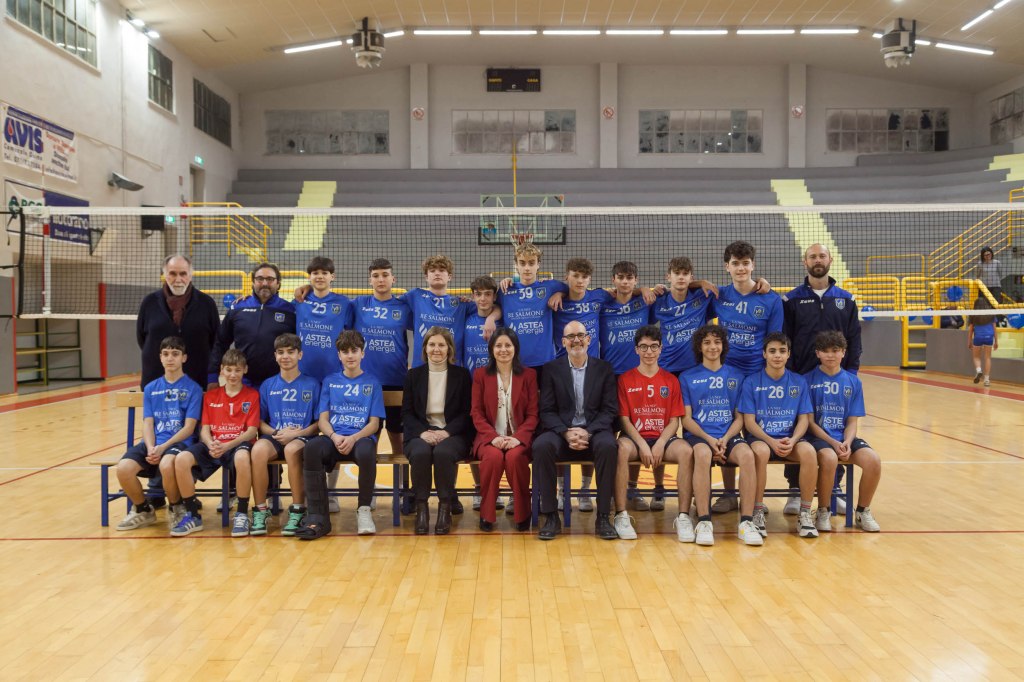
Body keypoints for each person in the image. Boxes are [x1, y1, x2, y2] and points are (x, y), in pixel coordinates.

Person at [780, 243, 862, 516]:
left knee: (835, 428)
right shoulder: (791, 300)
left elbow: (854, 340)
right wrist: (790, 377)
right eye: (813, 256)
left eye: (822, 256)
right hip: (801, 379)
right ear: (805, 262)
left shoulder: (846, 299)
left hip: (837, 378)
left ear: (830, 260)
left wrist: (850, 375)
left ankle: (833, 489)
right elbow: (786, 339)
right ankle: (795, 490)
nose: (818, 260)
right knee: (796, 430)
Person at [135, 254, 219, 509]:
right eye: (173, 273)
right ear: (165, 275)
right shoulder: (149, 303)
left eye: (183, 273)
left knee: (189, 437)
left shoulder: (206, 303)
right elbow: (142, 339)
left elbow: (215, 343)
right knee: (161, 429)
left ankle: (184, 494)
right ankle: (157, 490)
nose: (178, 278)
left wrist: (211, 378)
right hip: (157, 382)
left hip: (196, 384)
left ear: (191, 275)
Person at [710, 241, 783, 514]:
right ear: (726, 267)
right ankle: (729, 493)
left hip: (756, 374)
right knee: (726, 429)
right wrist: (701, 282)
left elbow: (774, 340)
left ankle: (755, 499)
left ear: (753, 265)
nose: (740, 268)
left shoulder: (770, 299)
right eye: (735, 263)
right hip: (727, 371)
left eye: (745, 263)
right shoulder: (718, 295)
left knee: (755, 435)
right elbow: (686, 292)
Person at [533, 321, 619, 540]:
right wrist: (566, 432)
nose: (576, 340)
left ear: (589, 339)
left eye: (580, 335)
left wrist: (587, 432)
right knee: (541, 446)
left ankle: (603, 517)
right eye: (571, 337)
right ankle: (551, 516)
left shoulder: (604, 368)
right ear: (563, 342)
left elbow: (609, 410)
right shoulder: (551, 369)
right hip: (562, 432)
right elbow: (546, 410)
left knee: (609, 446)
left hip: (593, 431)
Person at [296, 330, 385, 539]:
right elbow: (323, 420)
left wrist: (353, 438)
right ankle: (317, 516)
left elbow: (374, 424)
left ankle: (364, 510)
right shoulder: (329, 381)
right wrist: (334, 436)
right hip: (334, 438)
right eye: (345, 352)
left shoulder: (372, 383)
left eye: (354, 350)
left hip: (360, 438)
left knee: (367, 451)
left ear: (363, 353)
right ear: (339, 355)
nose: (350, 355)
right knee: (312, 448)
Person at [680, 324, 763, 546]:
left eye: (717, 342)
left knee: (747, 455)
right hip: (700, 436)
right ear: (699, 347)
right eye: (707, 342)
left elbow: (740, 418)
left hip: (728, 435)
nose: (712, 347)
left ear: (723, 346)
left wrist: (725, 439)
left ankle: (746, 522)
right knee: (702, 454)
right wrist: (709, 440)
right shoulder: (687, 377)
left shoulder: (737, 376)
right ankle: (704, 521)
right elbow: (686, 419)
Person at [611, 326, 692, 542]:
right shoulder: (625, 379)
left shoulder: (671, 380)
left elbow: (674, 420)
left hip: (663, 437)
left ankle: (683, 516)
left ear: (661, 348)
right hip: (635, 437)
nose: (649, 352)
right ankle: (621, 514)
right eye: (644, 347)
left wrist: (660, 443)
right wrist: (642, 444)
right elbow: (624, 419)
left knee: (686, 451)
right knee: (620, 449)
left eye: (654, 347)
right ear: (636, 349)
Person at [738, 332, 822, 539]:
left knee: (809, 452)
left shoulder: (798, 382)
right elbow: (749, 422)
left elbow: (804, 419)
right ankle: (757, 510)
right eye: (772, 351)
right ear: (764, 354)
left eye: (782, 351)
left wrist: (793, 440)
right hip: (762, 438)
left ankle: (805, 513)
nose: (777, 355)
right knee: (760, 452)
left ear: (788, 354)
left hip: (789, 439)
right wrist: (770, 440)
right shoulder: (751, 382)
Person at [234, 333, 320, 536]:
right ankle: (260, 510)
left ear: (300, 355)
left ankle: (298, 509)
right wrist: (277, 432)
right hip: (275, 435)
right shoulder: (268, 385)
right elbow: (259, 423)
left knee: (291, 450)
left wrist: (297, 433)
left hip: (302, 436)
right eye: (281, 352)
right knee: (257, 451)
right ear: (275, 356)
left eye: (291, 352)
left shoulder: (312, 384)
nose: (285, 356)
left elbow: (318, 424)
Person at [115, 336, 202, 531]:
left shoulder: (193, 389)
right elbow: (148, 423)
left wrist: (162, 447)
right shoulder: (151, 388)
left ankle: (176, 507)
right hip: (154, 443)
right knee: (123, 468)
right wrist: (150, 447)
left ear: (184, 358)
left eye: (175, 354)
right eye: (166, 354)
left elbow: (189, 428)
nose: (170, 358)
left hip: (180, 443)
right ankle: (143, 509)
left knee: (166, 464)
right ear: (160, 358)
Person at [600, 260, 665, 512]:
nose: (625, 282)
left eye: (630, 278)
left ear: (636, 280)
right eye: (621, 277)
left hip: (641, 377)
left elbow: (672, 289)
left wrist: (647, 289)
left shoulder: (644, 302)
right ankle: (607, 490)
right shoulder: (604, 303)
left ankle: (642, 489)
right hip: (610, 378)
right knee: (610, 437)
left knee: (647, 431)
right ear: (613, 280)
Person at [175, 349, 260, 537]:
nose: (233, 375)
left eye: (237, 370)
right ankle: (192, 515)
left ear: (245, 370)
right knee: (181, 459)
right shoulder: (211, 396)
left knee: (242, 457)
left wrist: (226, 446)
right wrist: (210, 443)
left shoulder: (252, 395)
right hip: (214, 444)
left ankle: (241, 514)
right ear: (221, 370)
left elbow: (251, 431)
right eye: (228, 370)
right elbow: (204, 429)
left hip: (237, 444)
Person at [804, 331, 882, 532]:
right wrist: (833, 442)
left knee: (873, 460)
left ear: (844, 352)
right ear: (817, 353)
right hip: (817, 437)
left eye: (835, 350)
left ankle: (862, 511)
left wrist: (847, 442)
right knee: (830, 458)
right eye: (825, 351)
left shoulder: (853, 382)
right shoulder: (807, 380)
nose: (831, 355)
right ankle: (823, 510)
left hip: (843, 438)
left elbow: (852, 421)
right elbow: (809, 423)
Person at [293, 256, 354, 513]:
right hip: (304, 379)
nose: (319, 276)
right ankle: (308, 493)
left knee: (334, 433)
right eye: (315, 273)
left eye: (324, 272)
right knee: (305, 436)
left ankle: (331, 493)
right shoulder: (299, 302)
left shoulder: (344, 304)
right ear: (309, 277)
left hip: (334, 379)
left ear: (332, 276)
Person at [402, 327, 474, 534]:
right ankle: (421, 509)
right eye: (432, 344)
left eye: (442, 345)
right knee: (420, 452)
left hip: (453, 434)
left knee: (443, 453)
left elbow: (466, 413)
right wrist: (423, 433)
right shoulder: (413, 375)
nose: (436, 349)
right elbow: (407, 413)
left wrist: (446, 432)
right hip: (421, 433)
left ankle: (445, 507)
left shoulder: (461, 375)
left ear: (449, 349)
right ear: (425, 348)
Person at [470, 328, 538, 532]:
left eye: (508, 345)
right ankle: (487, 513)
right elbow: (476, 412)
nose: (503, 350)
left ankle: (523, 512)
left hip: (519, 438)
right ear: (491, 349)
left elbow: (533, 414)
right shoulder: (480, 375)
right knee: (493, 458)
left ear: (515, 348)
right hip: (489, 439)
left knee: (515, 458)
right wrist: (493, 437)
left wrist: (518, 438)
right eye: (498, 345)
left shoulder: (529, 375)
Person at [351, 258, 412, 459]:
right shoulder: (359, 304)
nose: (380, 279)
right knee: (368, 440)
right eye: (375, 276)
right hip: (366, 382)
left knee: (398, 438)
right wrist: (307, 287)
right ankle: (368, 480)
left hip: (396, 381)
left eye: (385, 275)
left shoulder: (404, 307)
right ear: (370, 280)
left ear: (393, 279)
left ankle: (401, 480)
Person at [208, 262, 296, 389]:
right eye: (260, 279)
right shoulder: (237, 308)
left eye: (270, 279)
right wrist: (212, 376)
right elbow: (220, 343)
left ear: (278, 284)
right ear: (253, 282)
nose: (265, 283)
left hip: (278, 382)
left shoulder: (289, 310)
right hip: (243, 381)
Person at [463, 275, 505, 513]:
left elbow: (499, 309)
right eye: (478, 294)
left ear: (494, 296)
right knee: (475, 441)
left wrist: (492, 317)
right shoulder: (466, 315)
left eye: (487, 294)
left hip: (498, 389)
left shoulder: (502, 319)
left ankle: (500, 490)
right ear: (473, 296)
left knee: (502, 439)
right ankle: (480, 488)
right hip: (470, 387)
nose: (482, 298)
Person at [968, 295, 998, 387]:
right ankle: (987, 380)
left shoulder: (973, 314)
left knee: (976, 357)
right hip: (989, 337)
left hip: (978, 337)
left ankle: (978, 370)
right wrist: (996, 341)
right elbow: (994, 328)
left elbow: (971, 330)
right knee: (987, 358)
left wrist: (969, 341)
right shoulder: (991, 313)